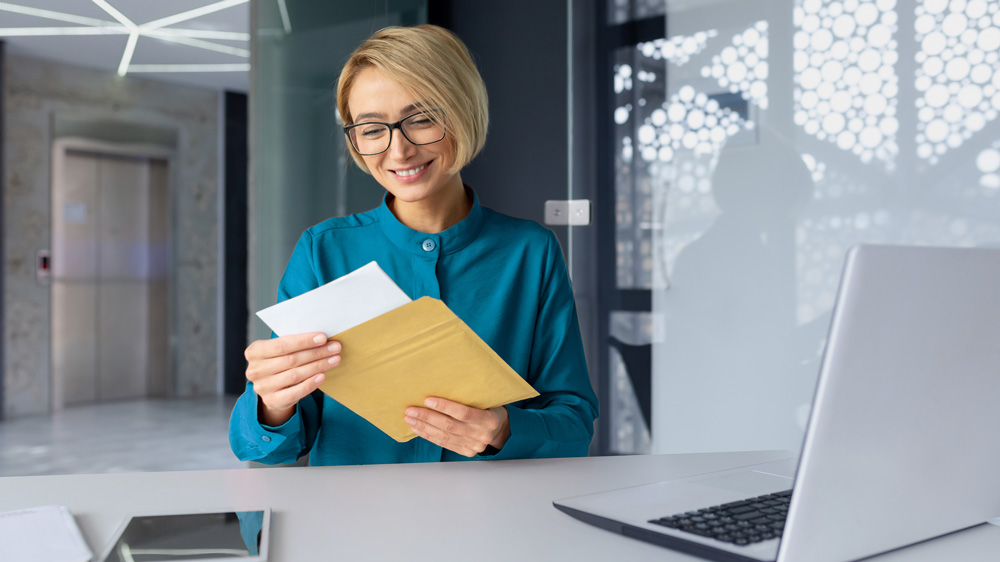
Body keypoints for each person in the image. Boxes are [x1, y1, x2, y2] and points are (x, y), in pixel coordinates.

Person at [228, 24, 598, 465]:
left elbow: (575, 424)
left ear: (463, 113)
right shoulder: (322, 251)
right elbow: (263, 448)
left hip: (489, 520)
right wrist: (273, 403)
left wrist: (504, 429)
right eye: (370, 130)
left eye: (421, 120)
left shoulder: (530, 253)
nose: (398, 151)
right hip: (357, 520)